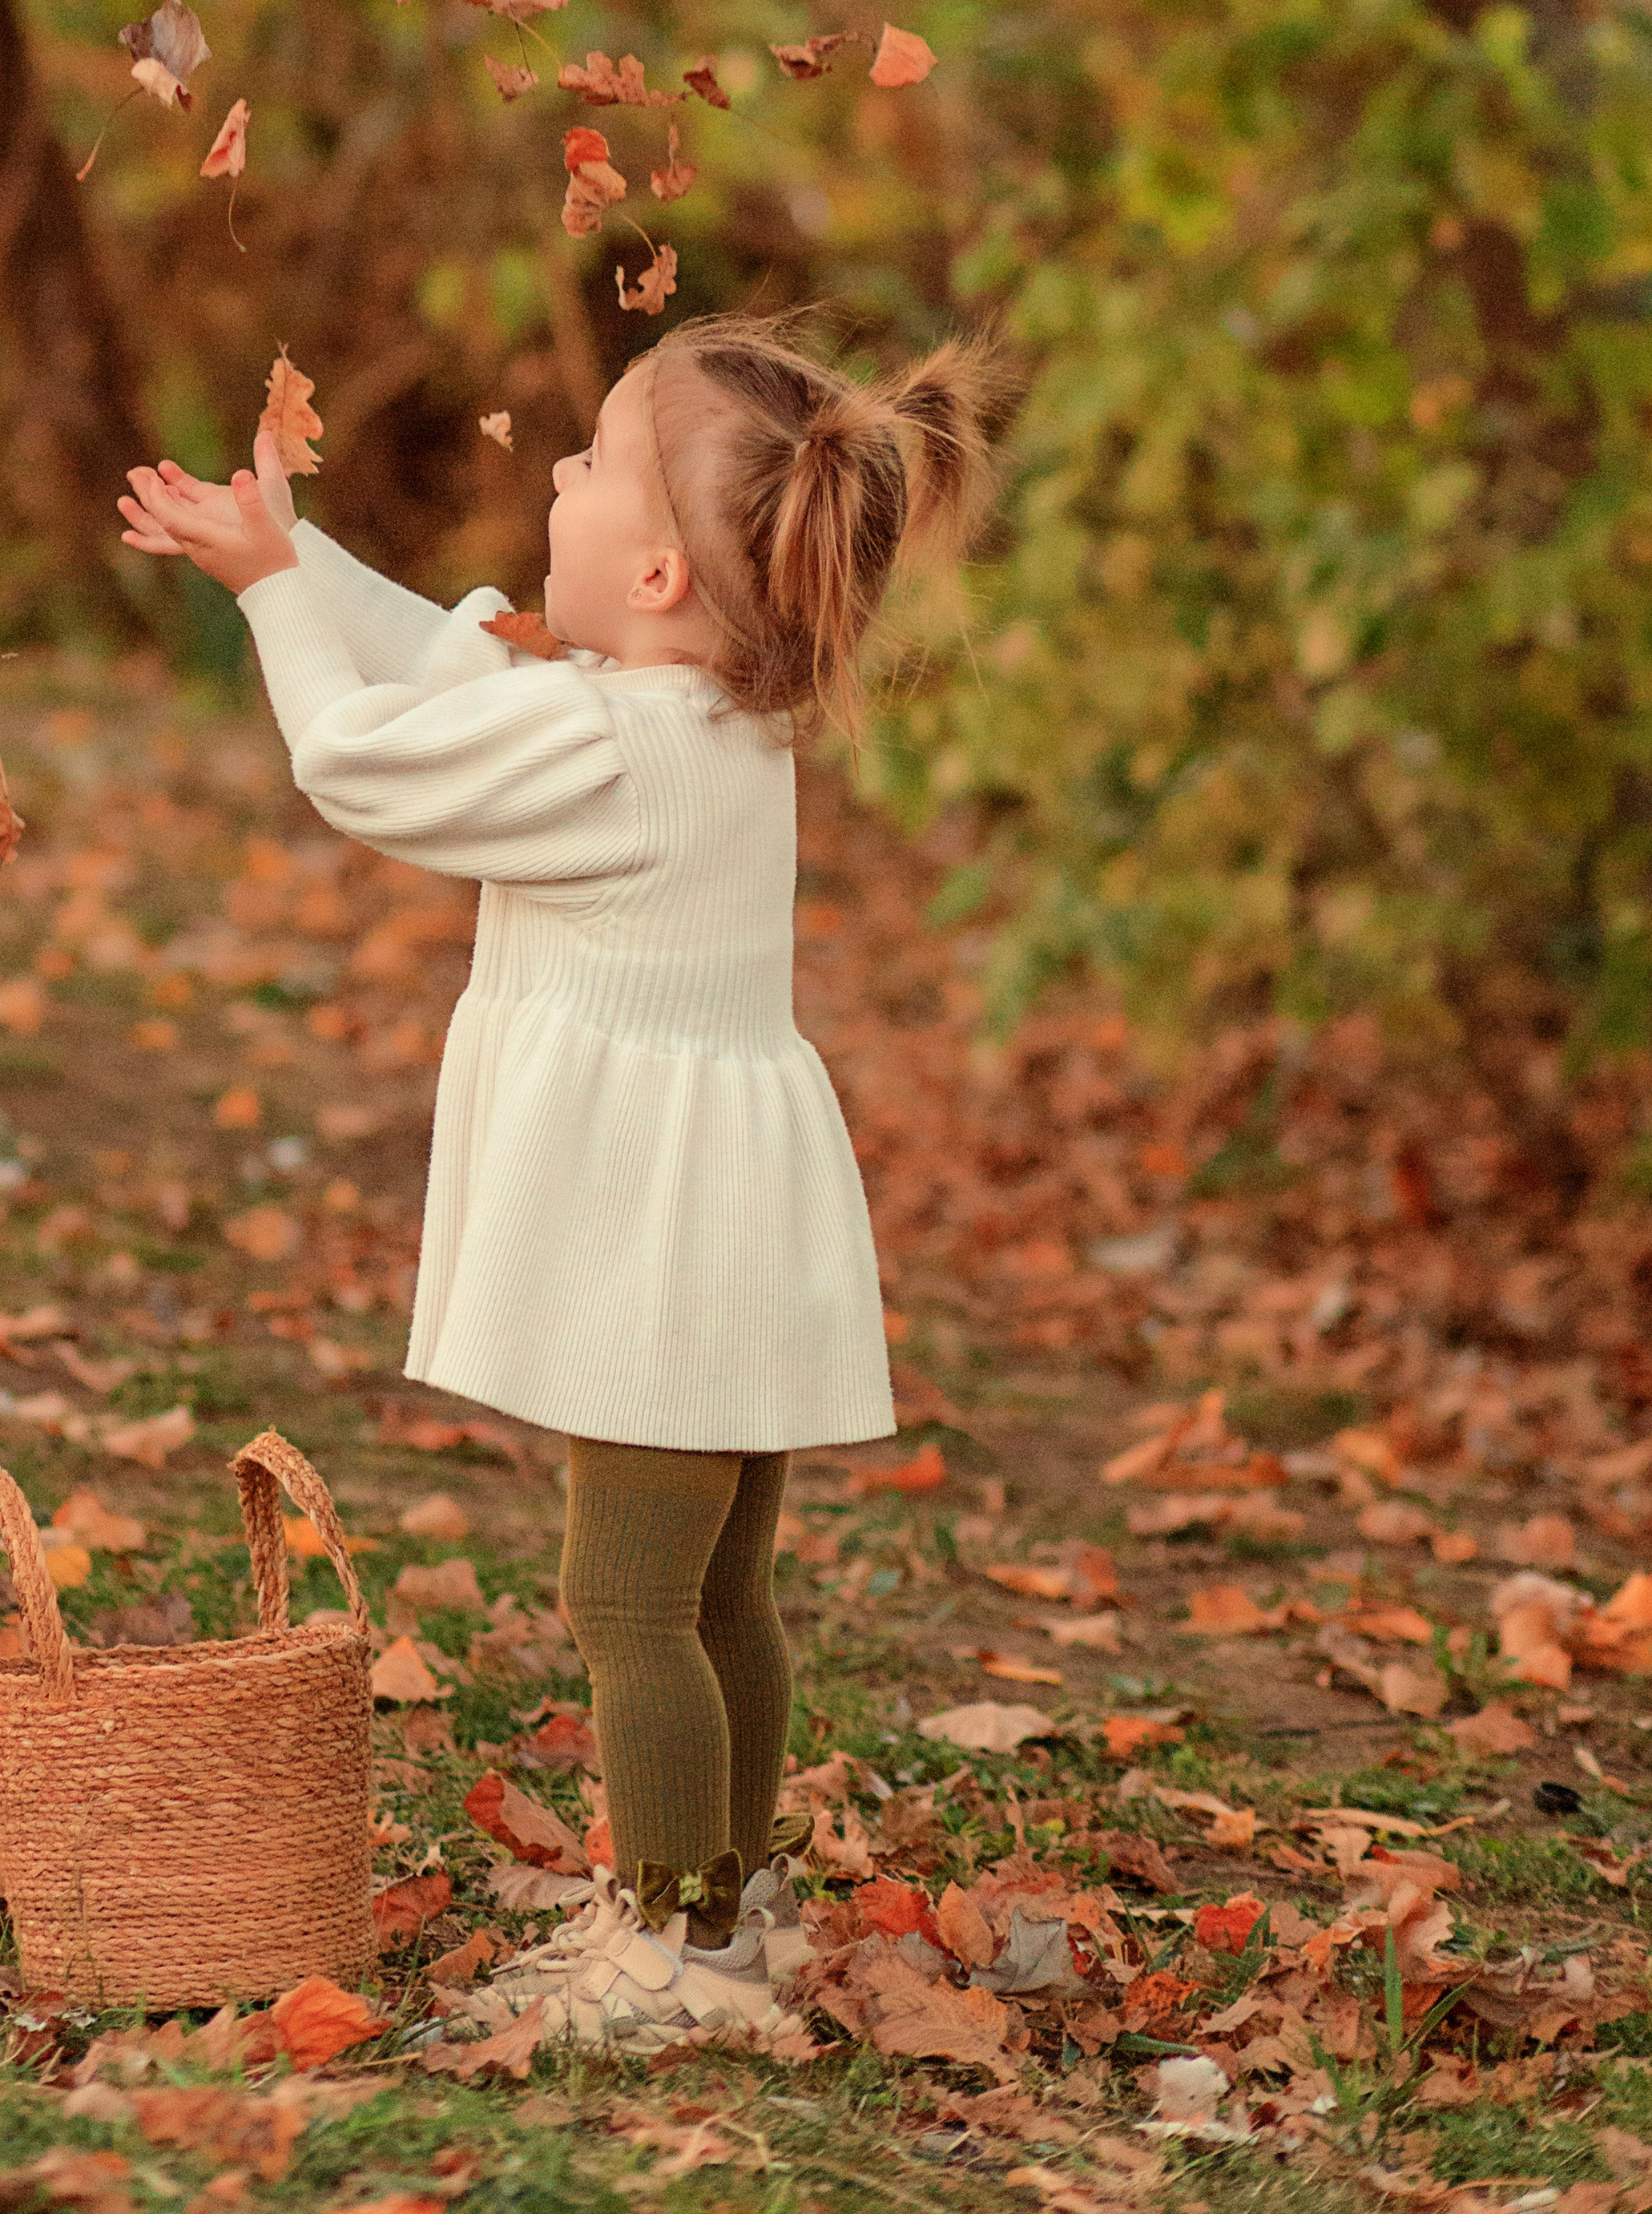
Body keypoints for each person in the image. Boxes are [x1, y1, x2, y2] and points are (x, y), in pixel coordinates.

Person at [119, 310, 1005, 2050]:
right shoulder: (690, 722)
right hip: (730, 1222)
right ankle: (716, 1907)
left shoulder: (616, 749)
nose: (559, 474)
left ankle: (672, 1957)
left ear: (661, 570)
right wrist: (292, 555)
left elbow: (358, 760)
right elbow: (473, 680)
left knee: (624, 1602)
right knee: (715, 1592)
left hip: (660, 1243)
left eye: (591, 461)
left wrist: (265, 603)